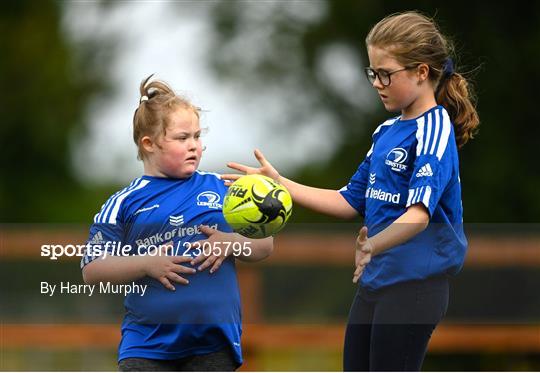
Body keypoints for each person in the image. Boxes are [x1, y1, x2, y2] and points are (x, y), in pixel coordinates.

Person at [222, 11, 479, 371]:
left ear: (422, 72)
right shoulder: (386, 131)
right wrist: (280, 184)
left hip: (415, 285)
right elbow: (347, 200)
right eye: (372, 73)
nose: (376, 82)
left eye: (385, 73)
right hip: (375, 280)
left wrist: (372, 244)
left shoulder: (435, 129)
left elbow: (418, 216)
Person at [81, 75, 273, 371]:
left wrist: (232, 242)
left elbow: (264, 246)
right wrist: (146, 264)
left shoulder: (222, 188)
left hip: (213, 342)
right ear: (149, 143)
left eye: (197, 136)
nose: (194, 146)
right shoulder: (123, 203)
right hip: (146, 344)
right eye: (182, 138)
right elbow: (92, 269)